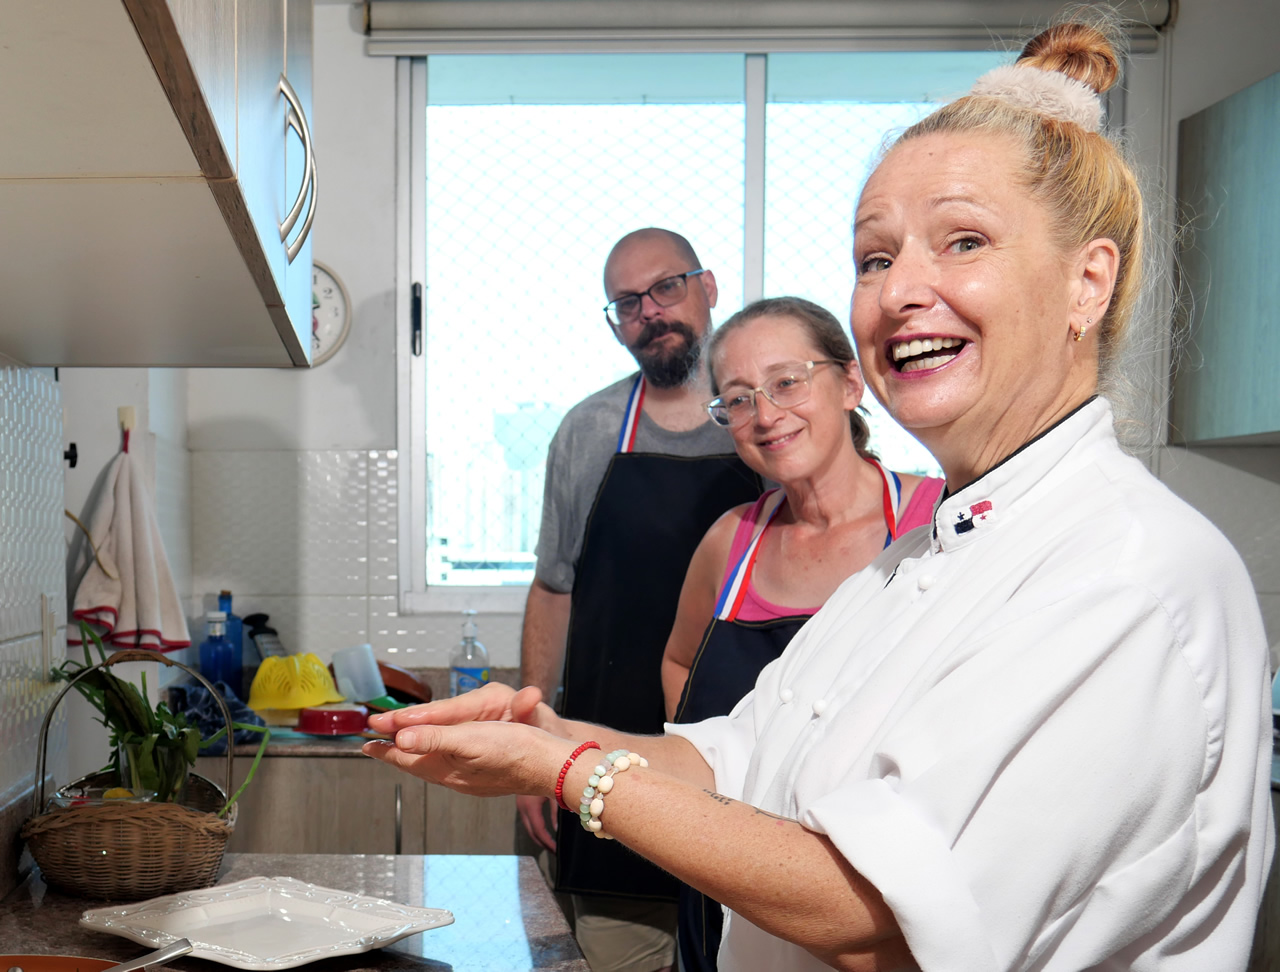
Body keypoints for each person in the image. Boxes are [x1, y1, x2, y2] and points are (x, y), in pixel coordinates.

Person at [367, 18, 1274, 971]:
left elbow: (874, 906)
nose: (900, 290)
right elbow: (735, 759)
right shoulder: (914, 563)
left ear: (1087, 282)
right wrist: (553, 728)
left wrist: (564, 769)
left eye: (963, 240)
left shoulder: (1126, 574)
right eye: (876, 258)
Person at [659, 297, 944, 970]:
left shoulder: (938, 522)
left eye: (787, 382)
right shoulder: (729, 545)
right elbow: (679, 661)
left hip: (874, 901)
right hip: (726, 878)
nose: (764, 415)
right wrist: (710, 787)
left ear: (850, 385)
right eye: (737, 399)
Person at [518, 227, 762, 972]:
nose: (650, 312)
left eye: (666, 287)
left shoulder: (766, 427)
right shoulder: (588, 432)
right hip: (607, 769)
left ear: (708, 287)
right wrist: (534, 742)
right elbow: (553, 591)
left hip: (743, 781)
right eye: (627, 302)